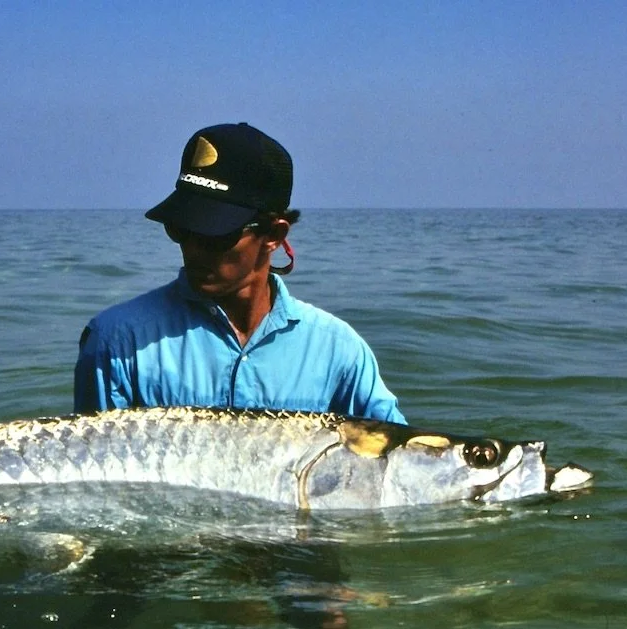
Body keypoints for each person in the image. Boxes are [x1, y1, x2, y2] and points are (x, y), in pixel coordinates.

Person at [73, 122, 405, 423]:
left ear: (274, 236)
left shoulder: (339, 350)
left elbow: (393, 458)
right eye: (181, 229)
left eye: (215, 234)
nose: (193, 248)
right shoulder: (116, 342)